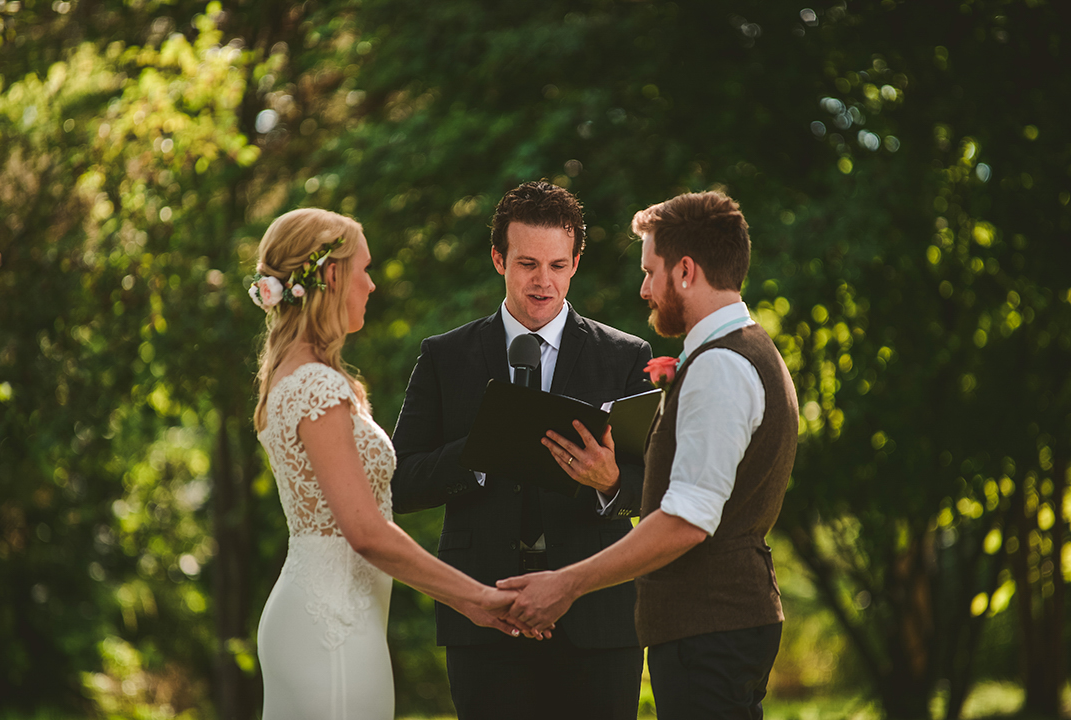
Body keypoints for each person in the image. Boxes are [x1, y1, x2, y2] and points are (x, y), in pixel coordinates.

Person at [498, 190, 800, 719]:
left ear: (685, 271)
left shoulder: (719, 366)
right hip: (721, 626)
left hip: (709, 630)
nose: (643, 289)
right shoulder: (750, 349)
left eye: (649, 271)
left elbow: (686, 521)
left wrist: (567, 583)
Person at [390, 181, 653, 720]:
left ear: (576, 263)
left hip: (597, 621)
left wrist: (610, 482)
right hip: (482, 614)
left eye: (557, 265)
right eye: (527, 263)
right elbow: (398, 484)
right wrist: (481, 453)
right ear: (497, 259)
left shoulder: (627, 356)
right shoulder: (445, 357)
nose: (543, 281)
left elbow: (659, 493)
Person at [249, 208, 521, 720]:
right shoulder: (318, 386)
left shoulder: (295, 375)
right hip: (330, 624)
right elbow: (367, 532)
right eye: (364, 269)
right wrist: (475, 598)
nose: (371, 286)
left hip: (331, 613)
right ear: (332, 275)